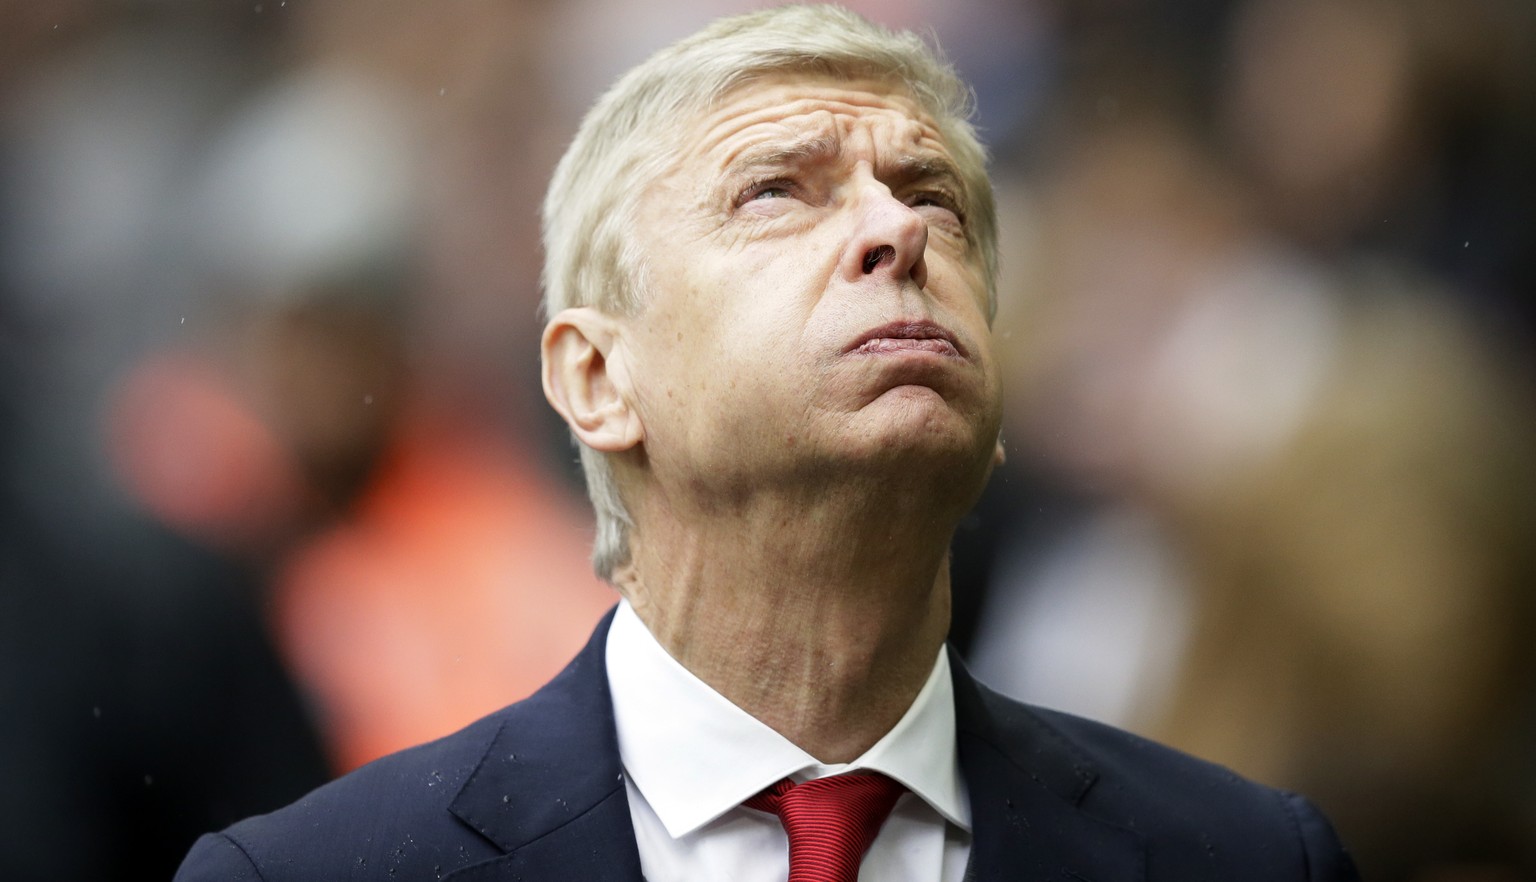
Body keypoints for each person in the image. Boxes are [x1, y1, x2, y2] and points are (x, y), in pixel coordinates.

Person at [175, 5, 1360, 879]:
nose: (896, 230)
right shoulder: (312, 876)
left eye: (933, 196)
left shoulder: (1250, 860)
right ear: (597, 378)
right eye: (778, 191)